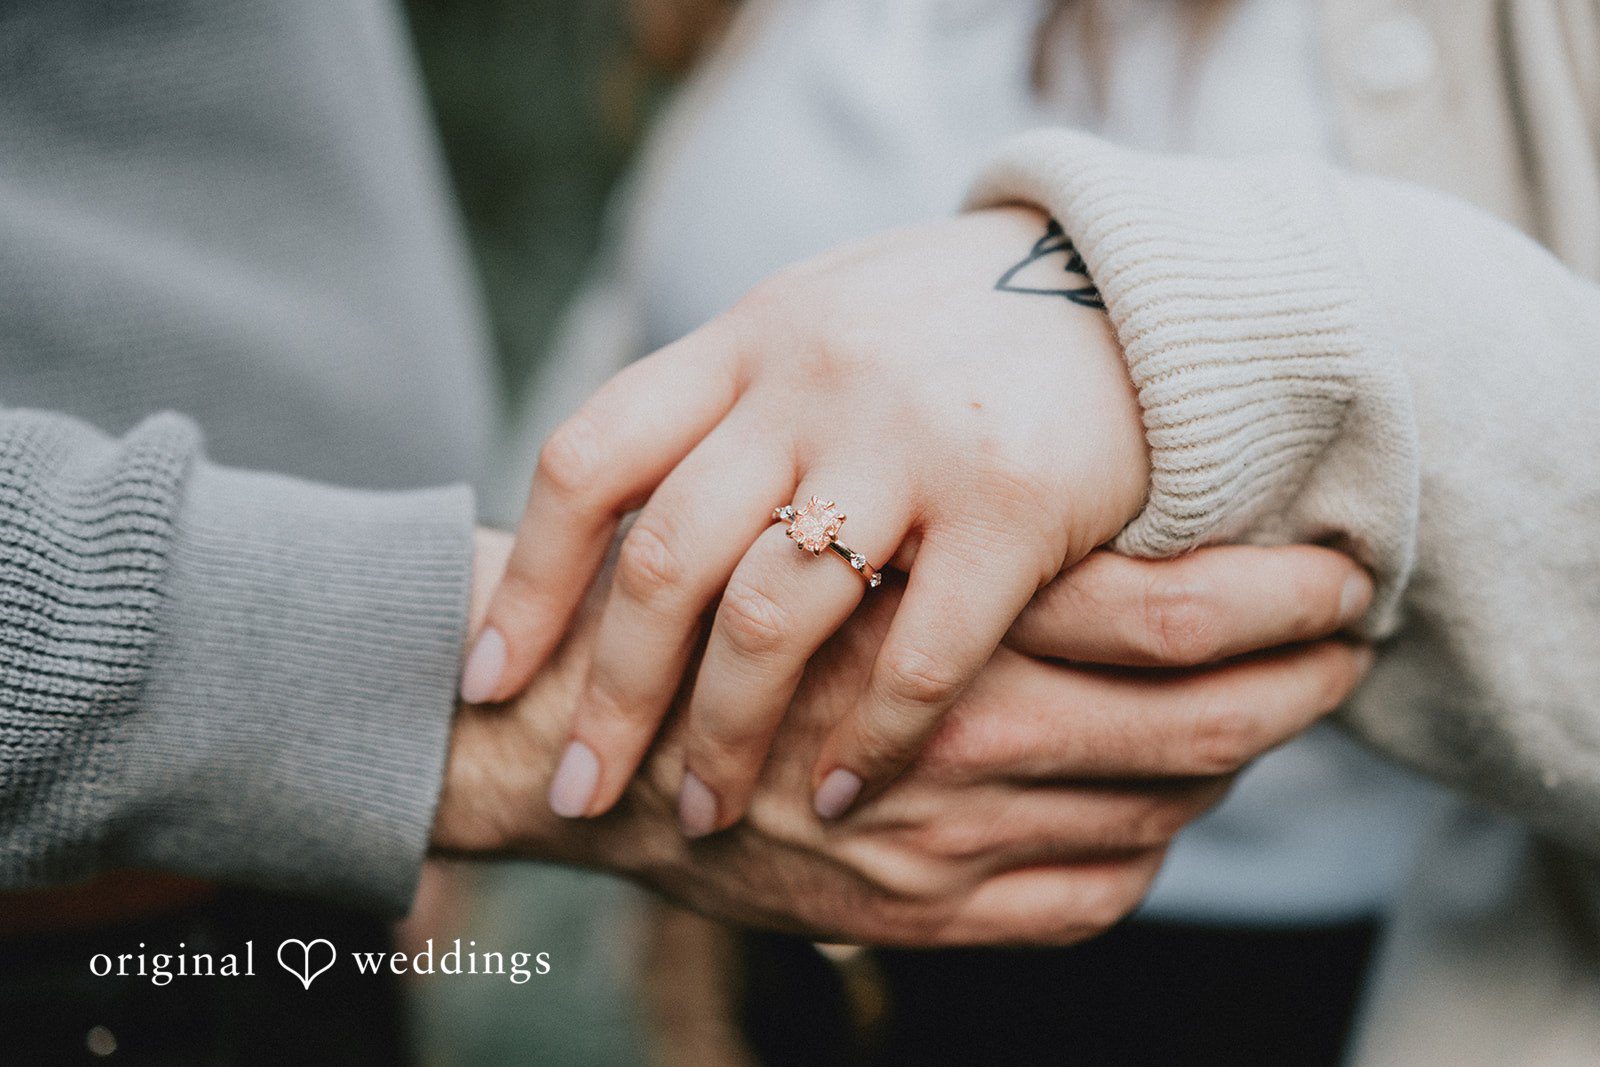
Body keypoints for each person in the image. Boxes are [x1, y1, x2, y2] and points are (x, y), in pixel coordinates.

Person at [0, 0, 1372, 1060]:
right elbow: (652, 298)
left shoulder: (1448, 61)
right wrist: (446, 716)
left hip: (1257, 938)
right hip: (724, 898)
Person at [493, 0, 1600, 1062]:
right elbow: (654, 302)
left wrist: (1179, 317)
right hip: (758, 939)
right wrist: (471, 656)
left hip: (1298, 979)